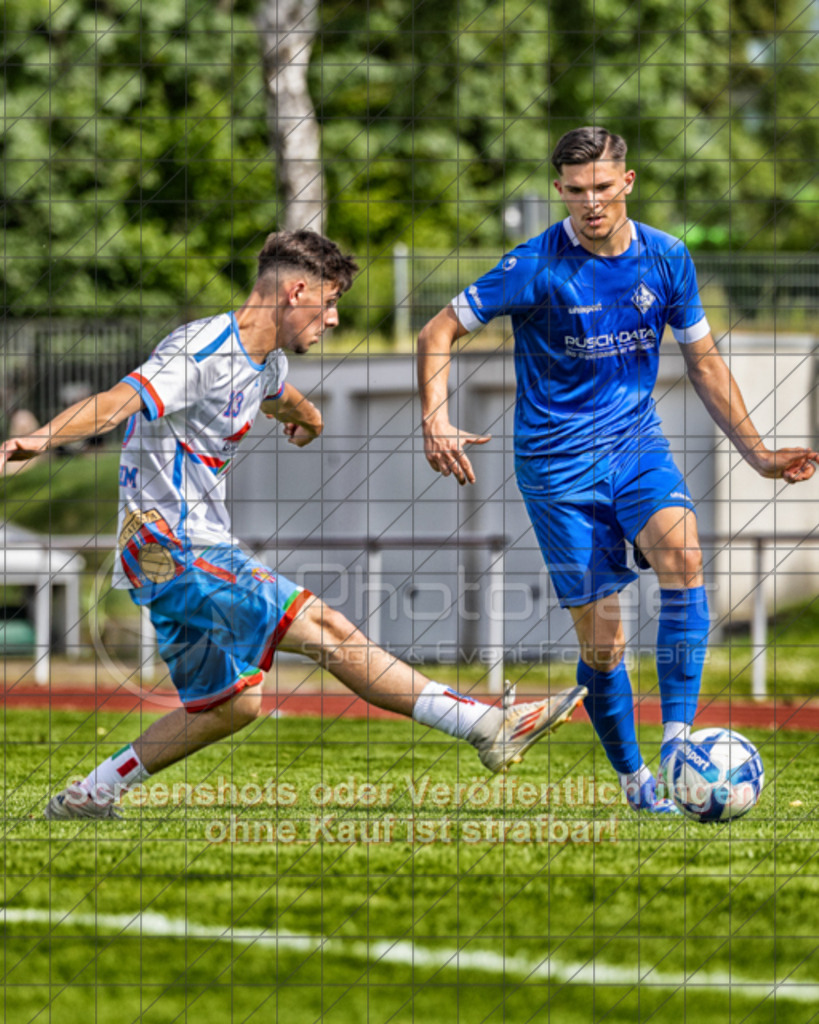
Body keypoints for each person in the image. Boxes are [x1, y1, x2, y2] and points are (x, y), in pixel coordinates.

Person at [0, 229, 586, 821]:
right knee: (325, 626)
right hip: (170, 542)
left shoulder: (266, 358)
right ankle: (487, 724)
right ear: (297, 291)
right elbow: (116, 401)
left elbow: (276, 393)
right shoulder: (200, 351)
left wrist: (306, 416)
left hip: (171, 551)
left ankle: (90, 793)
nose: (332, 319)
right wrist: (39, 439)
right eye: (330, 303)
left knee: (231, 706)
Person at [417, 127, 819, 813]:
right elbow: (437, 330)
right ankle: (636, 781)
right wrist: (434, 418)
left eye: (602, 188)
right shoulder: (533, 266)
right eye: (575, 192)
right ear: (559, 191)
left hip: (635, 447)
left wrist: (756, 452)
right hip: (555, 467)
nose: (590, 203)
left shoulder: (666, 258)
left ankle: (678, 740)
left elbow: (704, 362)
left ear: (626, 181)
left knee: (684, 555)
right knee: (604, 647)